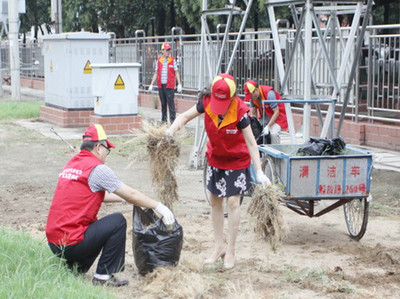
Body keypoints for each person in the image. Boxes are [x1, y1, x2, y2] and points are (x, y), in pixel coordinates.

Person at [45, 124, 175, 287]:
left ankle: (73, 267)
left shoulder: (72, 163)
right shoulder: (98, 169)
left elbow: (92, 193)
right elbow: (132, 194)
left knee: (93, 225)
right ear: (99, 147)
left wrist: (122, 199)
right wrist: (158, 206)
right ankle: (102, 276)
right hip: (72, 242)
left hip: (55, 242)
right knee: (117, 222)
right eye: (108, 149)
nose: (107, 154)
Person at [168, 73, 270, 270]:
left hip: (237, 160)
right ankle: (218, 246)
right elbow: (184, 117)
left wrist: (259, 171)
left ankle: (231, 250)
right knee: (215, 200)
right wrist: (169, 132)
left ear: (232, 97)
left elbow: (251, 142)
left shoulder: (240, 111)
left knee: (233, 202)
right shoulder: (206, 102)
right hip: (215, 158)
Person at [148, 42, 182, 124]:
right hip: (161, 86)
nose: (168, 52)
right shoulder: (159, 60)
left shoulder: (172, 60)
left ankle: (173, 121)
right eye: (166, 50)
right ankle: (164, 122)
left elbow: (176, 72)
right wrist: (152, 84)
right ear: (162, 51)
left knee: (171, 105)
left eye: (169, 50)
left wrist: (179, 83)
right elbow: (156, 72)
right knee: (163, 104)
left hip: (169, 86)